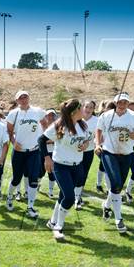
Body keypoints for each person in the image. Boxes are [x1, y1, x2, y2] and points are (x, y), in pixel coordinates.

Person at [39, 99, 89, 240]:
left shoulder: (82, 124)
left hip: (77, 166)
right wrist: (47, 159)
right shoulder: (59, 125)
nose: (83, 110)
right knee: (69, 197)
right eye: (81, 108)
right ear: (74, 112)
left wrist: (85, 144)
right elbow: (41, 140)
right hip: (61, 166)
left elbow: (87, 139)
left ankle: (52, 222)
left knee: (63, 196)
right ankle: (58, 227)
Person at [95, 92, 134, 233]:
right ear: (115, 102)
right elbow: (98, 130)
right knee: (116, 183)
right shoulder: (106, 115)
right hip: (109, 153)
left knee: (118, 187)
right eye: (120, 102)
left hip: (127, 154)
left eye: (125, 102)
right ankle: (119, 219)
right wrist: (98, 144)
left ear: (128, 103)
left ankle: (106, 205)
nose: (122, 104)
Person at [5, 91, 46, 218]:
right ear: (17, 101)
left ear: (29, 98)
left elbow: (45, 124)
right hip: (19, 152)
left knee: (33, 180)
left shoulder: (37, 111)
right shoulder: (13, 114)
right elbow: (9, 131)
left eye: (25, 97)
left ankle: (30, 207)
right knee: (16, 178)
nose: (23, 100)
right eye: (20, 98)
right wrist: (13, 142)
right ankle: (9, 197)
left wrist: (43, 138)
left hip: (34, 151)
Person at [74, 100, 98, 210]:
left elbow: (99, 135)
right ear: (82, 107)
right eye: (86, 106)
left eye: (91, 107)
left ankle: (77, 197)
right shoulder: (76, 119)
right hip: (74, 151)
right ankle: (73, 195)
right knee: (75, 173)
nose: (88, 109)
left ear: (94, 110)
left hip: (88, 151)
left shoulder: (97, 121)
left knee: (83, 174)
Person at [95, 100, 115, 194]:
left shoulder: (115, 119)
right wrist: (98, 143)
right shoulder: (102, 117)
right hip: (101, 146)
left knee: (103, 166)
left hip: (111, 147)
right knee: (107, 167)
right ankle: (109, 189)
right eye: (109, 109)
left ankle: (98, 184)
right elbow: (98, 132)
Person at [38, 108, 58, 198]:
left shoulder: (57, 126)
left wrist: (48, 141)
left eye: (52, 115)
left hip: (53, 152)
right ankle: (37, 184)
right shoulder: (40, 126)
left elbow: (59, 138)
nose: (50, 117)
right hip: (42, 151)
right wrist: (50, 140)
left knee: (52, 172)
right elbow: (39, 140)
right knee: (41, 171)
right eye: (48, 115)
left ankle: (50, 191)